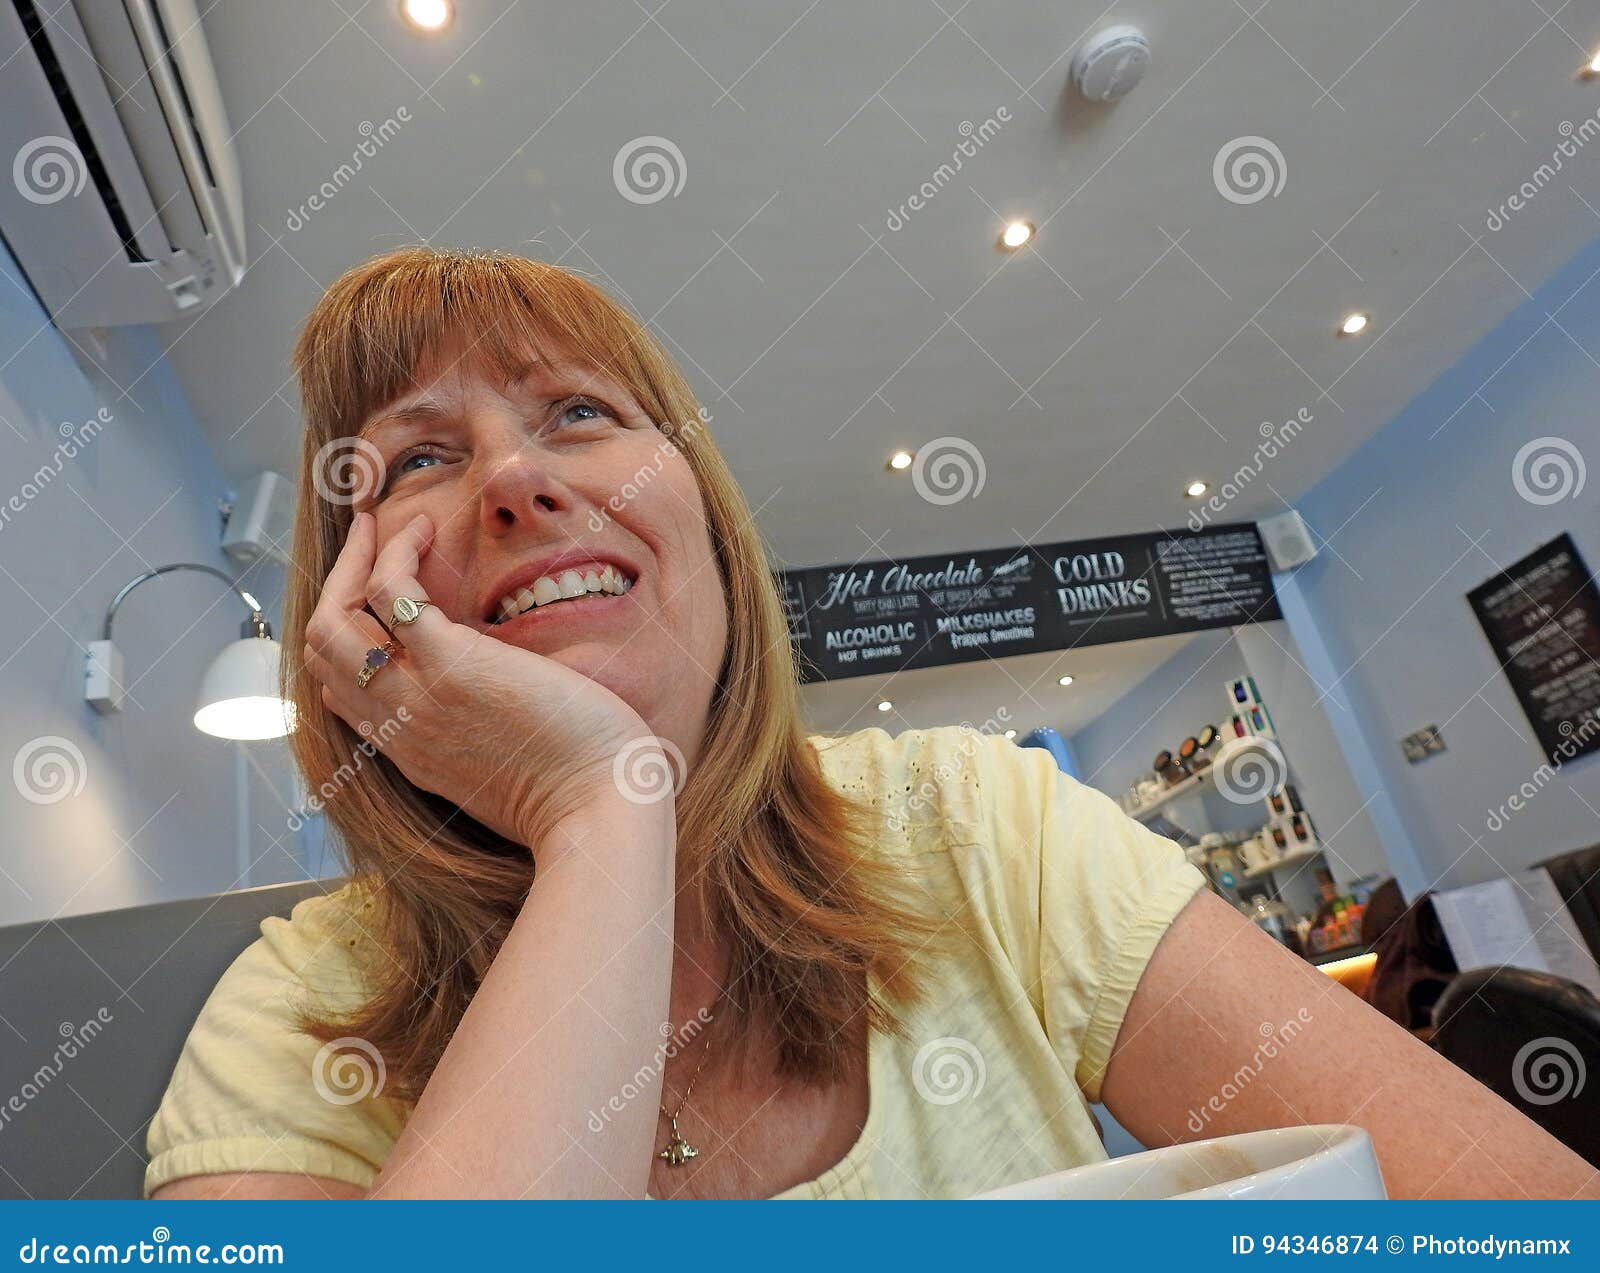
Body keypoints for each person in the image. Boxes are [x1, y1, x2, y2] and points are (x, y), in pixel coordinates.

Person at [145, 248, 1599, 1200]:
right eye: (418, 457)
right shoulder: (288, 1027)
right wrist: (602, 810)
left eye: (578, 412)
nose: (517, 483)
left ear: (704, 523)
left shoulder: (971, 824)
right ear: (349, 606)